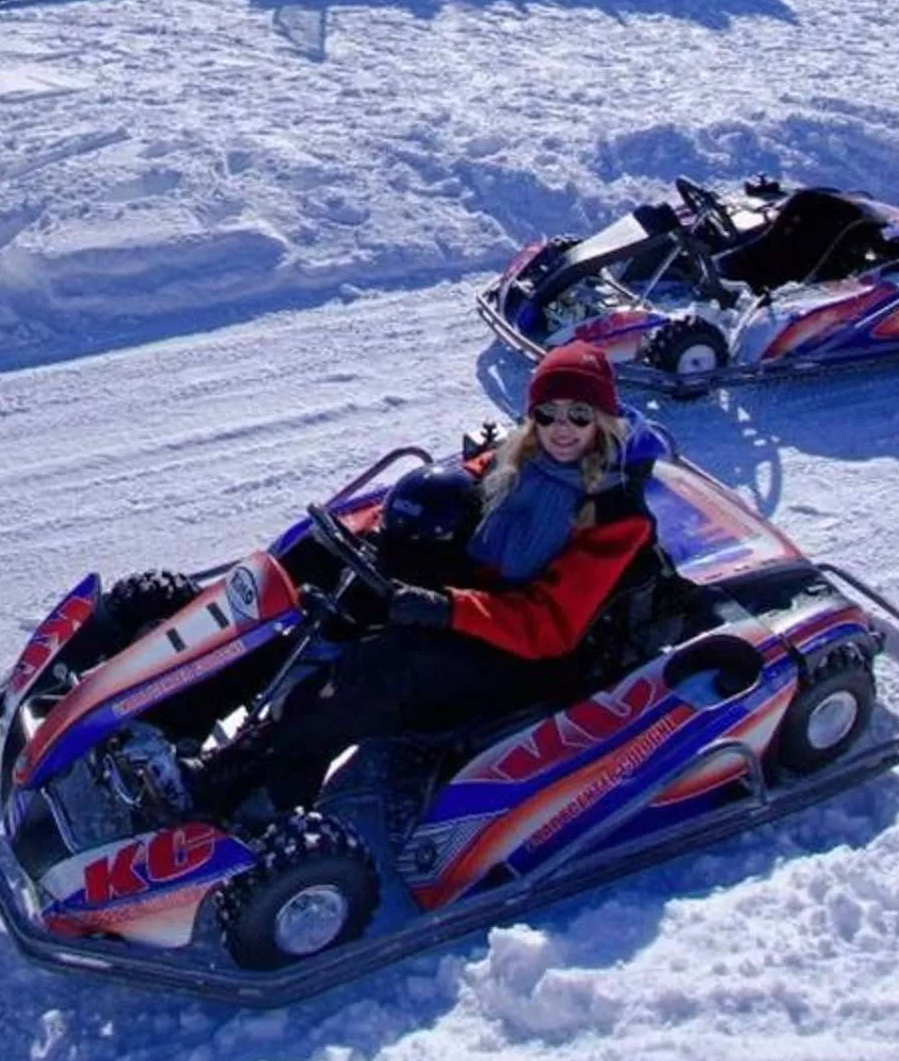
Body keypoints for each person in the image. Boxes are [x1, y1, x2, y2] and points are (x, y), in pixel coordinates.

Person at [181, 341, 661, 819]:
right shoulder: (517, 457)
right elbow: (449, 490)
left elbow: (551, 625)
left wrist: (447, 609)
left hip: (525, 654)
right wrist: (385, 534)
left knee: (381, 668)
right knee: (314, 569)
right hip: (471, 600)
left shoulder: (614, 513)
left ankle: (248, 789)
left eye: (579, 414)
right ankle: (180, 704)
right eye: (548, 413)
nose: (562, 427)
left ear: (602, 420)